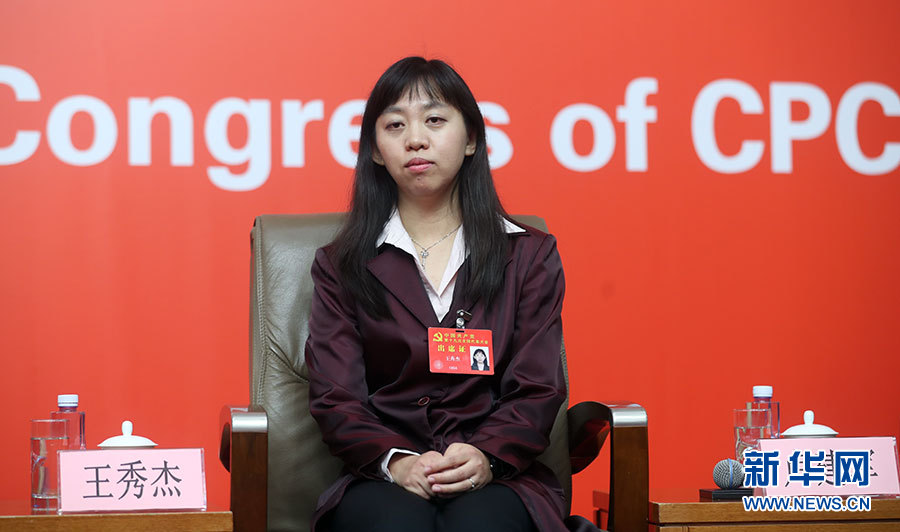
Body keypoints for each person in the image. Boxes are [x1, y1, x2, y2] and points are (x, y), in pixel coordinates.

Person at [305, 57, 569, 532]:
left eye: (434, 120)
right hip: (383, 478)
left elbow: (537, 386)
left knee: (480, 525)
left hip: (501, 477)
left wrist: (486, 455)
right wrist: (398, 461)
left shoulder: (528, 255)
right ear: (376, 151)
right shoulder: (341, 266)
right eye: (395, 125)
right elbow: (336, 397)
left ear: (471, 139)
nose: (415, 139)